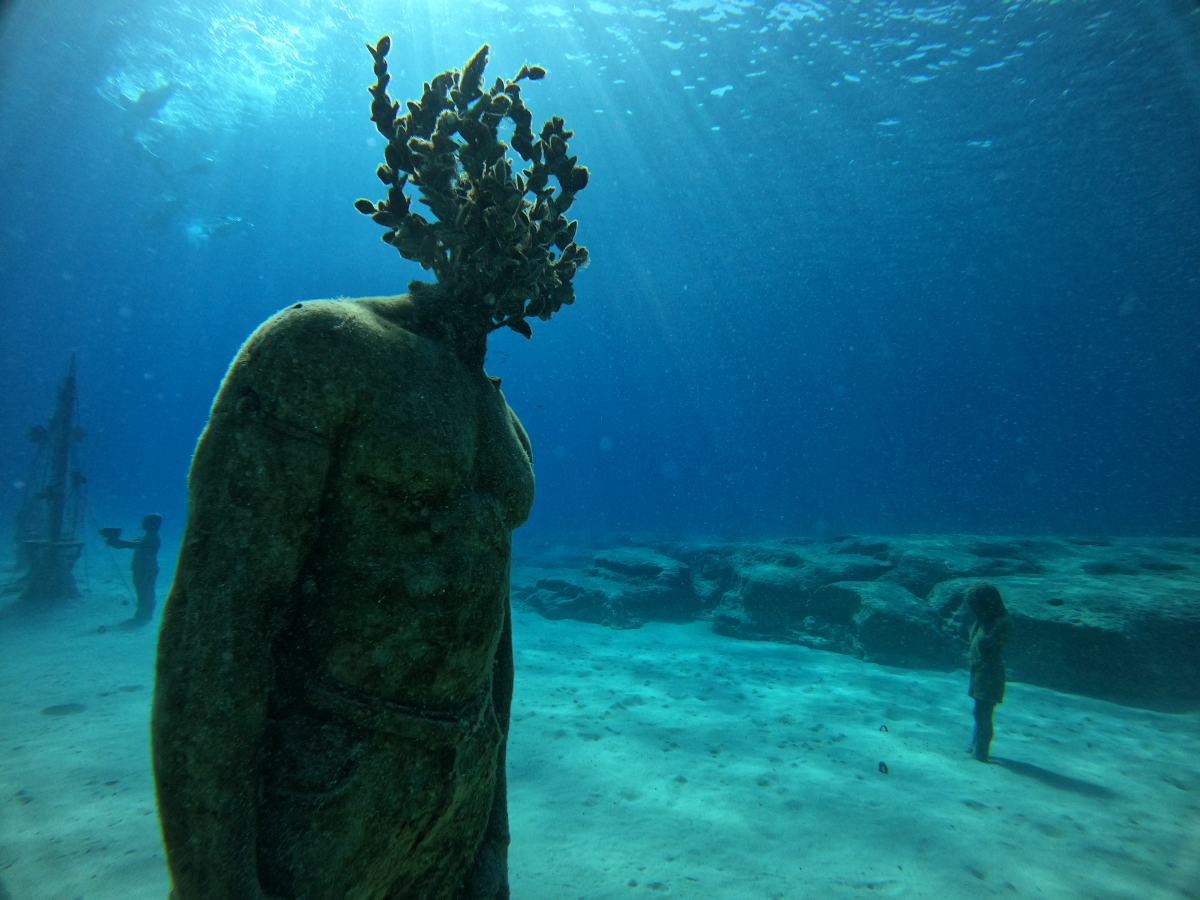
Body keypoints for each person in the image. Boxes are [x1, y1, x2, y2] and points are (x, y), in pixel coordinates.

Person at [965, 581, 1014, 763]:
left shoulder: (1002, 623)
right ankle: (975, 745)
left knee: (984, 713)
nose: (975, 610)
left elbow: (986, 645)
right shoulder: (983, 621)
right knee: (979, 712)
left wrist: (982, 622)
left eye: (976, 606)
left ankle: (982, 752)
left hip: (991, 672)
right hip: (979, 671)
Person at [100, 514, 162, 625]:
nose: (142, 523)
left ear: (152, 524)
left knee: (146, 592)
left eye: (145, 521)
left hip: (147, 570)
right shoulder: (145, 537)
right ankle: (143, 613)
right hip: (142, 569)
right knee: (142, 591)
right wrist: (113, 540)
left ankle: (145, 614)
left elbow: (129, 544)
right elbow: (125, 544)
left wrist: (113, 539)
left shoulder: (152, 538)